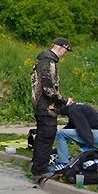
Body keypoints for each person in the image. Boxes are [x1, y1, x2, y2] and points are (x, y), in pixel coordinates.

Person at [30, 37, 73, 183]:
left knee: (42, 137)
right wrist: (64, 101)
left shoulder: (41, 60)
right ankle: (40, 171)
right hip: (46, 107)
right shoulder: (48, 62)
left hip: (39, 105)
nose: (65, 55)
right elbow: (48, 88)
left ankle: (36, 166)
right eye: (66, 51)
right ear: (61, 47)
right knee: (46, 138)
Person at [52, 102, 98, 172]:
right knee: (64, 133)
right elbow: (71, 127)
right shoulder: (76, 108)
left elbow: (83, 128)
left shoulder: (73, 110)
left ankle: (63, 163)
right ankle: (88, 160)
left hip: (96, 135)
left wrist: (90, 146)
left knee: (60, 134)